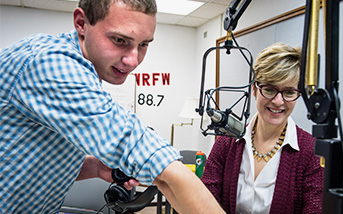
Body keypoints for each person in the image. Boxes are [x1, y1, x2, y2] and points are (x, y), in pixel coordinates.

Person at [0, 0, 224, 213]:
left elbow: (27, 160)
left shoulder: (86, 69)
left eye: (144, 44)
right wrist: (175, 173)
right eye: (119, 40)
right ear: (81, 23)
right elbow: (151, 157)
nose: (133, 61)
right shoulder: (50, 64)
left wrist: (95, 167)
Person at [201, 43, 324, 213]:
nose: (278, 101)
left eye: (289, 92)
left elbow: (314, 209)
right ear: (254, 88)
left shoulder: (312, 151)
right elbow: (207, 197)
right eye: (269, 89)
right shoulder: (226, 141)